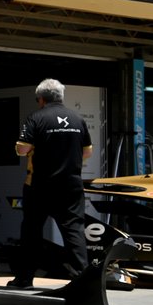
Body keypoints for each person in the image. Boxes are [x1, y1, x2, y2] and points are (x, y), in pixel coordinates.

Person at [11, 78, 92, 288]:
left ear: (40, 99)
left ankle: (24, 279)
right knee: (74, 231)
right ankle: (84, 282)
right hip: (71, 185)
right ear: (61, 97)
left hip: (40, 186)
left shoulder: (36, 117)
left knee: (31, 232)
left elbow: (22, 149)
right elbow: (87, 152)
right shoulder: (77, 119)